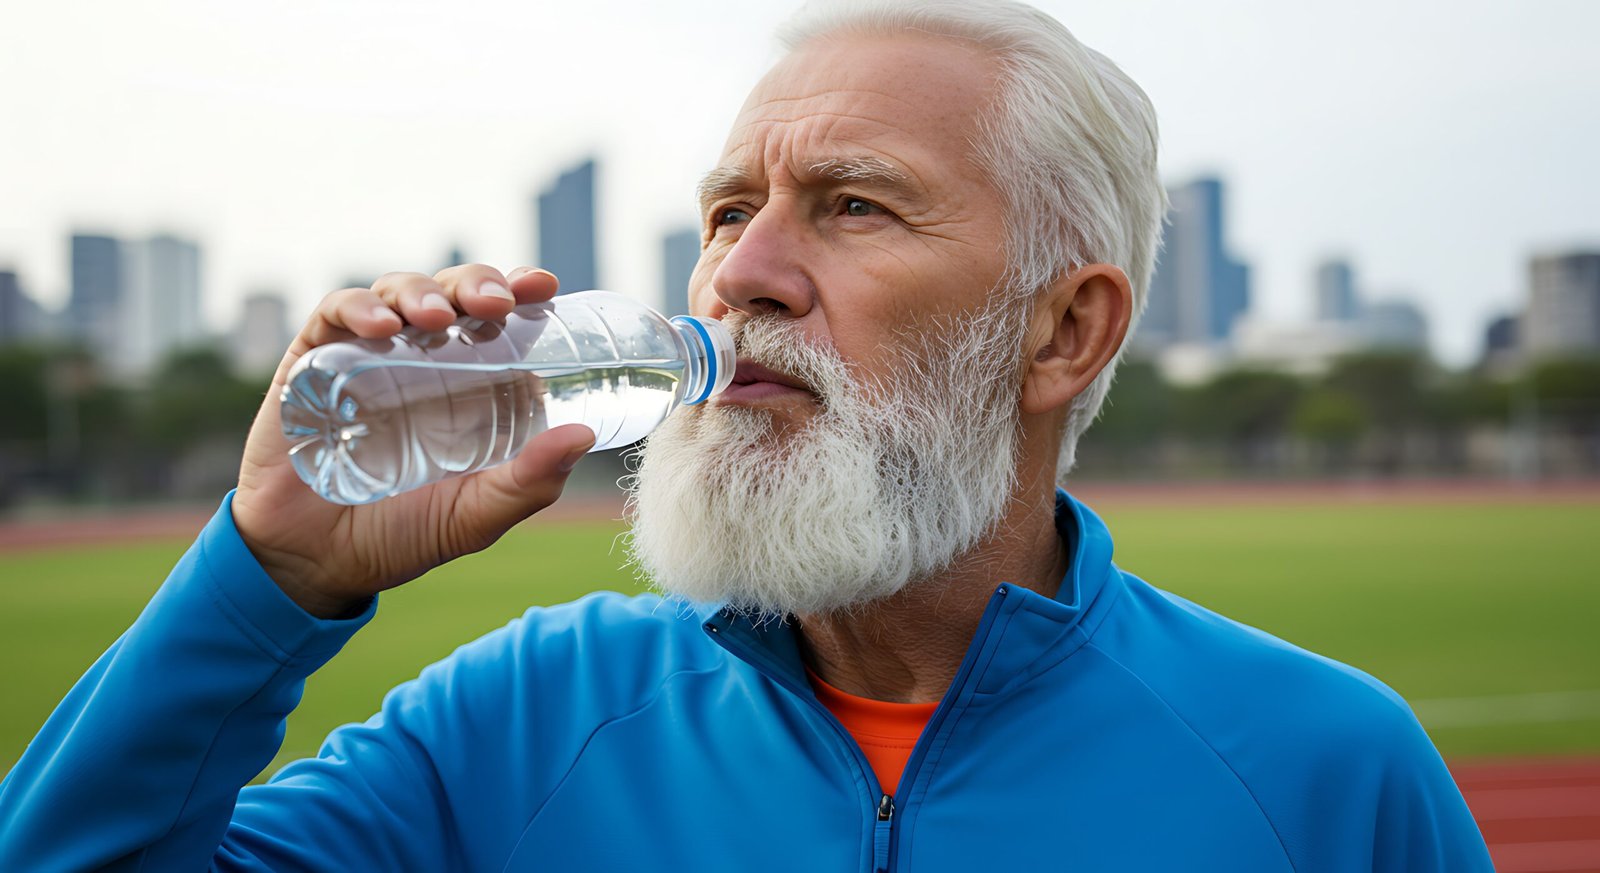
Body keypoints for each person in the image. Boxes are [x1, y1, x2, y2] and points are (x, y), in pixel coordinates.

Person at [0, 1, 1492, 870]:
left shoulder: (1321, 770)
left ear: (1066, 331)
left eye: (851, 204)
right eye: (728, 212)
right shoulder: (515, 723)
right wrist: (268, 573)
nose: (739, 272)